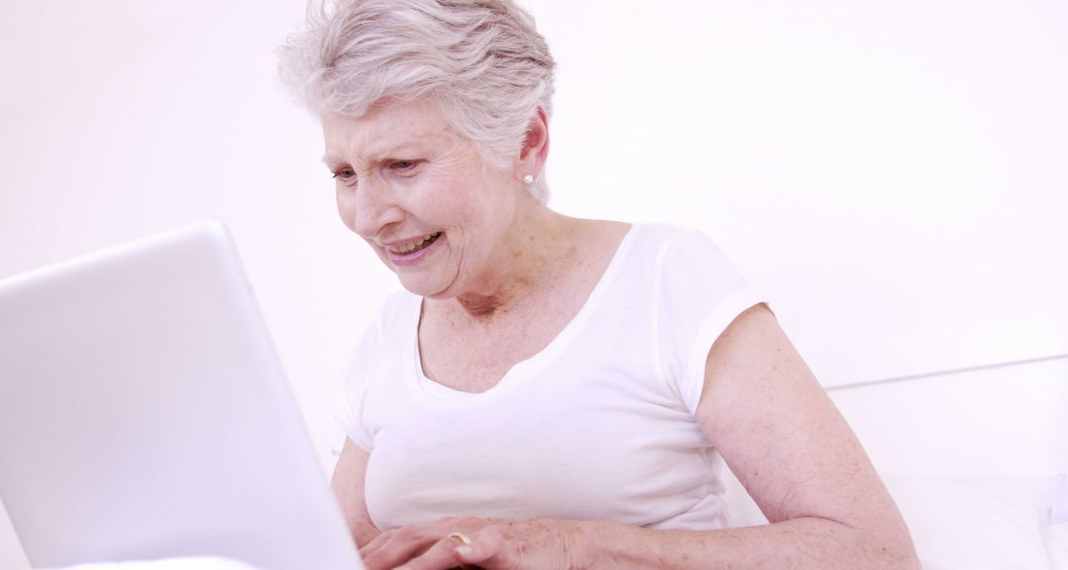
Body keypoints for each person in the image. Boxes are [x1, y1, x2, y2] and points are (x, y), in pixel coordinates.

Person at [279, 1, 920, 568]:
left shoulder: (666, 279)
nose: (367, 216)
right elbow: (335, 555)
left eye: (402, 165)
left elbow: (875, 554)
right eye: (345, 174)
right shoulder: (387, 340)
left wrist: (576, 548)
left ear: (526, 142)